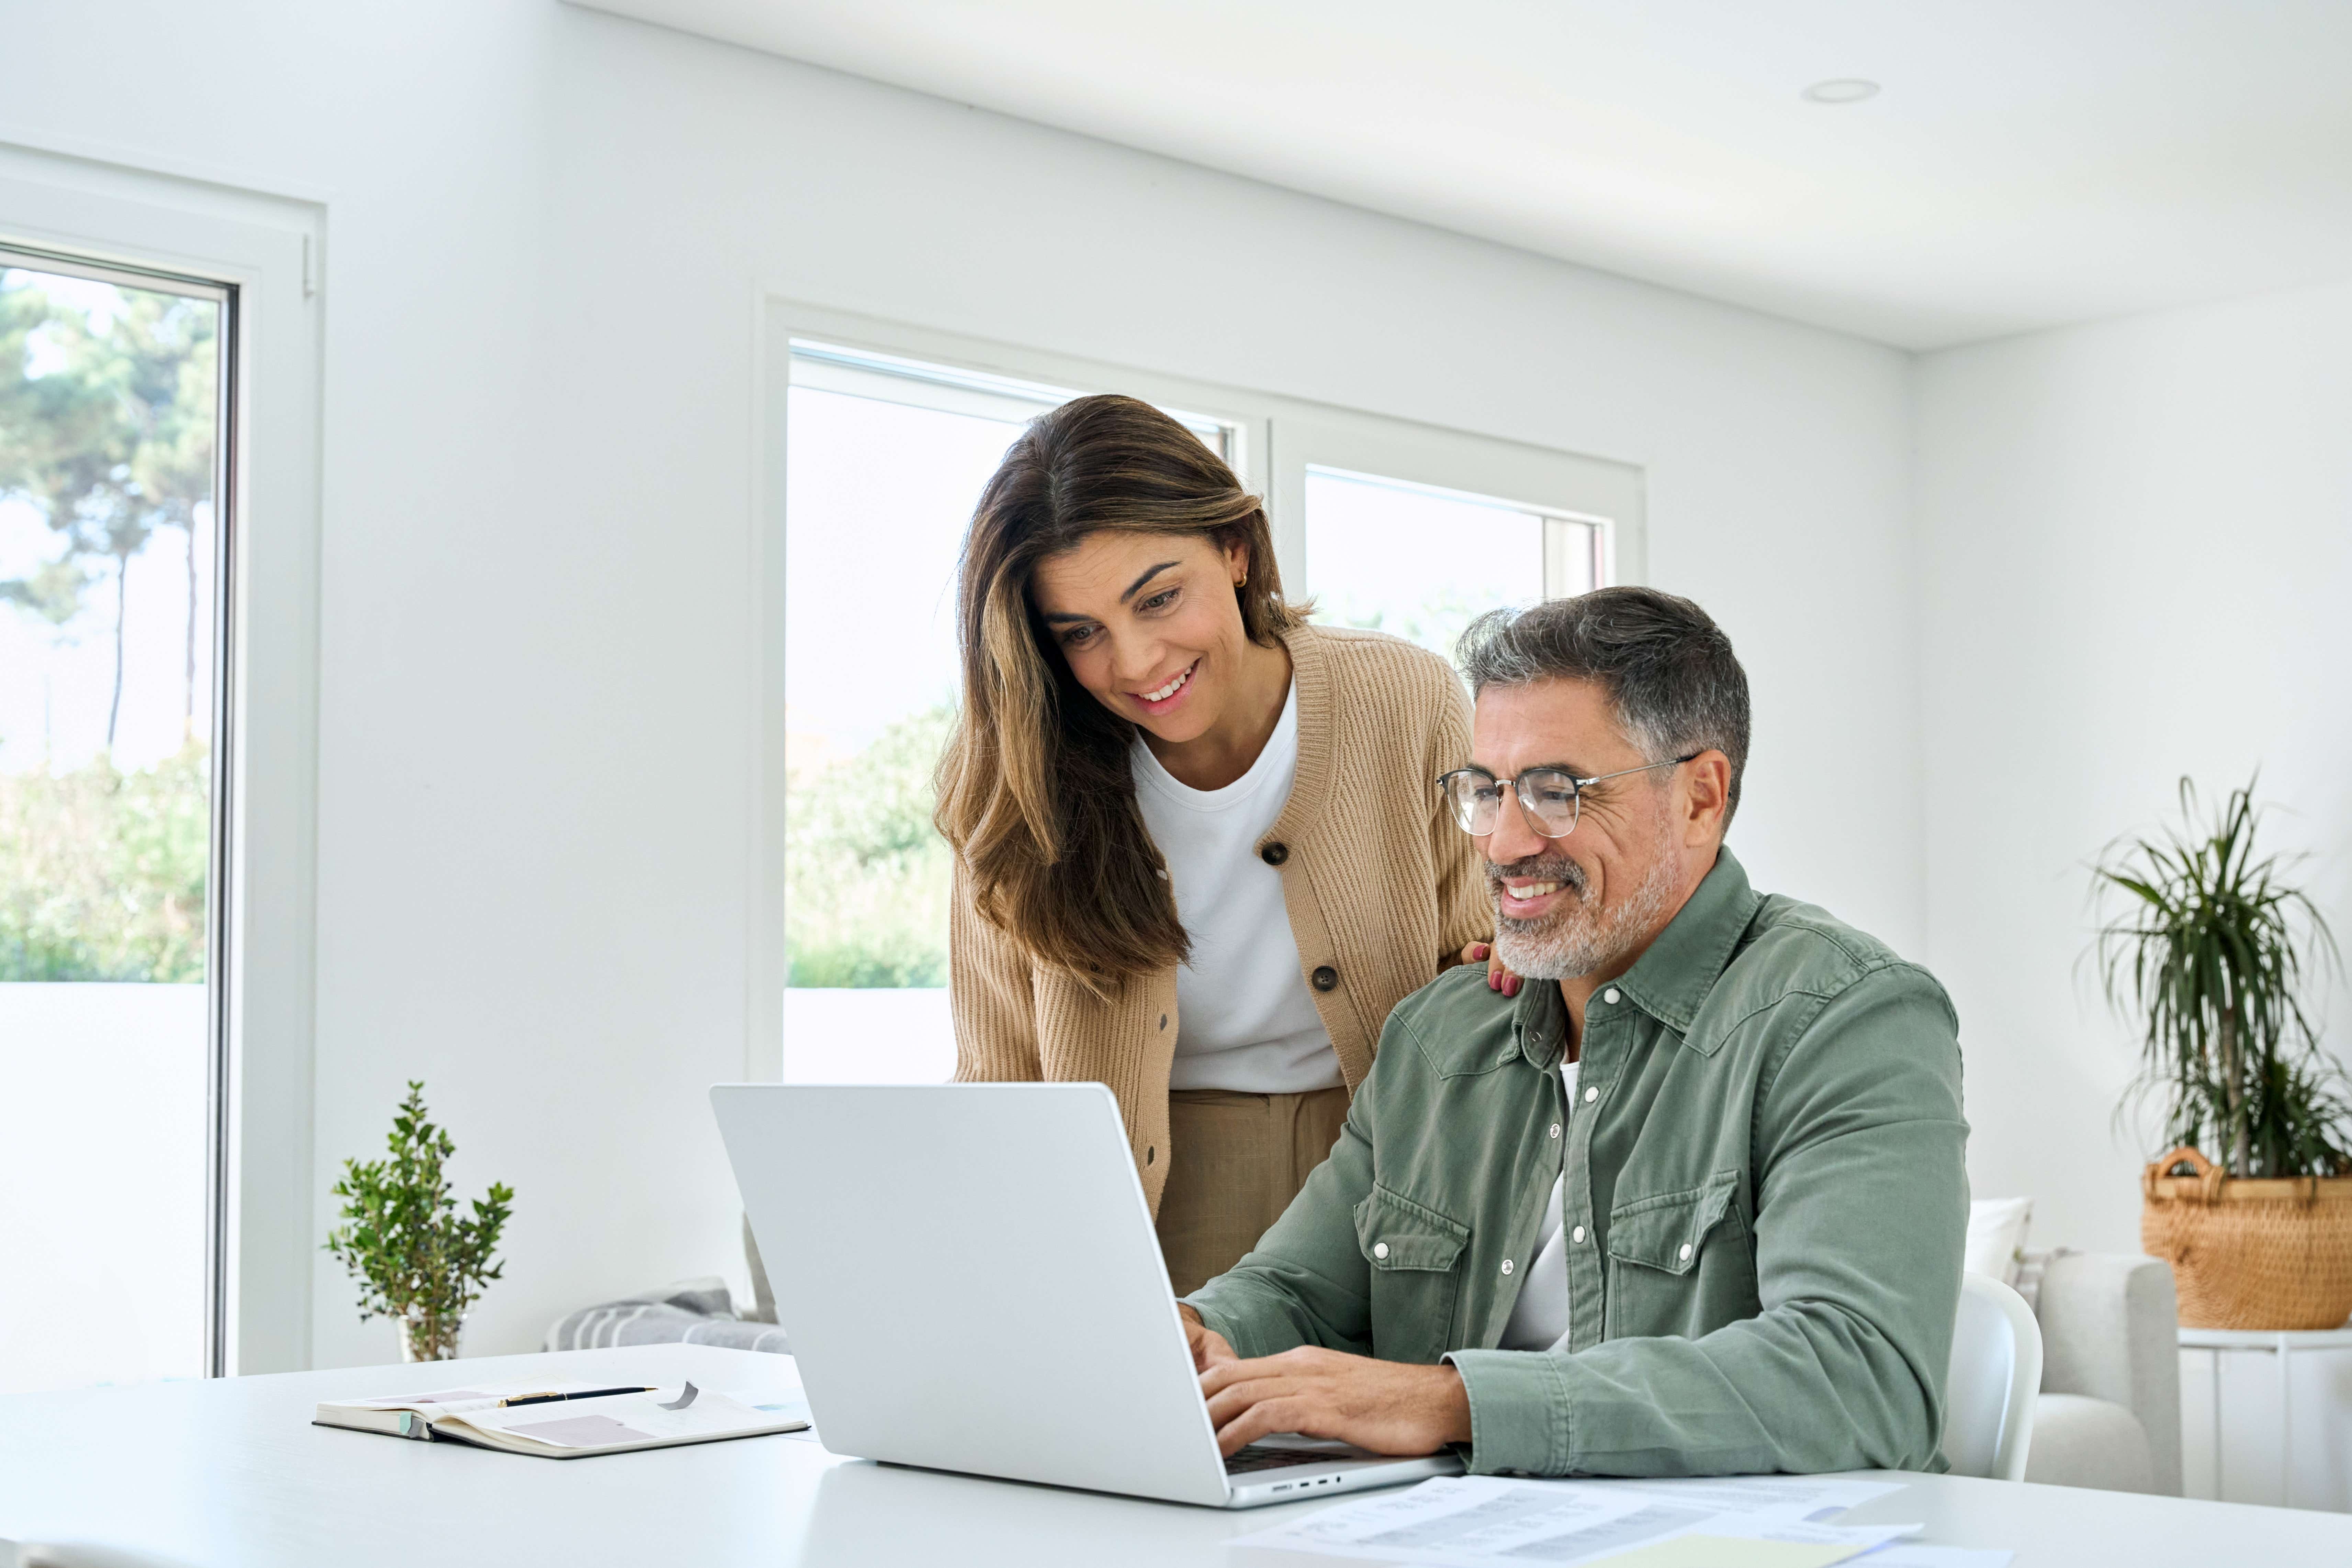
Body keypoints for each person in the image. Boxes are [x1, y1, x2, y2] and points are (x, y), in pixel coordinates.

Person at [1178, 587, 1969, 1477]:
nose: (1505, 842)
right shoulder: (1441, 1037)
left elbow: (1862, 1384)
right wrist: (1197, 1333)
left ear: (1701, 797)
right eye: (1485, 790)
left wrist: (1449, 1403)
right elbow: (1296, 1291)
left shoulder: (1847, 1016)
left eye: (1558, 792)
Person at [936, 394, 1501, 1294]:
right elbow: (1001, 1072)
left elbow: (1476, 971)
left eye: (1159, 598)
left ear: (1236, 550)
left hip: (1384, 1174)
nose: (1135, 664)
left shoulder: (1407, 699)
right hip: (1144, 1195)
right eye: (1080, 634)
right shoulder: (1014, 772)